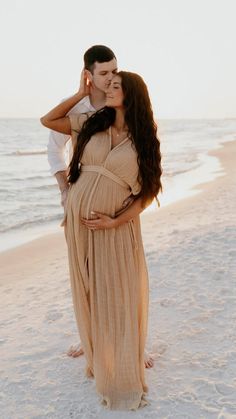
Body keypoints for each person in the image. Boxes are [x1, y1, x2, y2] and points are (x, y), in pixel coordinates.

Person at [41, 70, 162, 410]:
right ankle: (96, 354)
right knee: (88, 287)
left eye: (116, 85)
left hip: (114, 227)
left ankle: (123, 366)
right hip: (80, 224)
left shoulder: (144, 141)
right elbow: (48, 119)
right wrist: (80, 91)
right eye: (107, 83)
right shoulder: (90, 122)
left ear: (132, 95)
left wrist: (115, 221)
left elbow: (148, 192)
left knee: (118, 291)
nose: (108, 87)